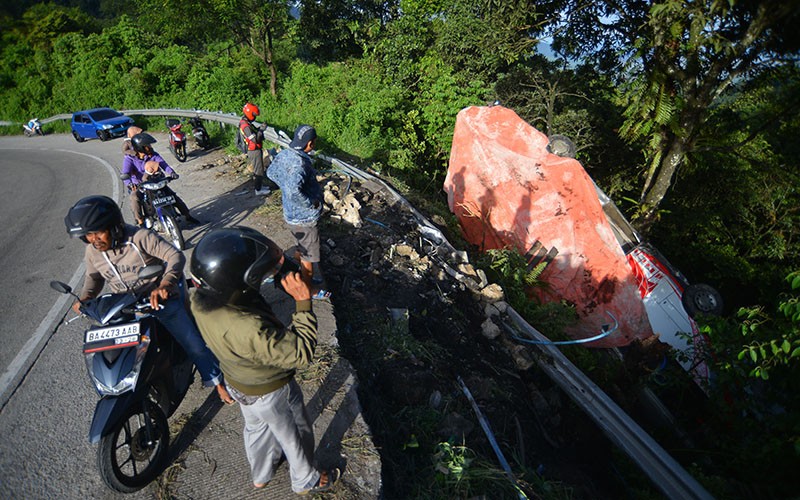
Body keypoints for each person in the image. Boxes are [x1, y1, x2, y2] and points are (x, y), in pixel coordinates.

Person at [189, 226, 340, 494]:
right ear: (238, 285)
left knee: (256, 430)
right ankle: (305, 479)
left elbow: (244, 284)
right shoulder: (248, 327)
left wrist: (280, 266)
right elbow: (300, 353)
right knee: (294, 431)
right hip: (270, 389)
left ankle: (260, 475)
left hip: (238, 381)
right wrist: (303, 302)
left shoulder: (200, 300)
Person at [64, 195, 233, 404]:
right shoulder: (92, 251)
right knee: (116, 350)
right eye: (88, 235)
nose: (94, 239)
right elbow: (93, 277)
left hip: (159, 297)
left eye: (98, 232)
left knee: (192, 342)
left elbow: (175, 256)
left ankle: (217, 382)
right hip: (124, 305)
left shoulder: (139, 237)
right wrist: (86, 298)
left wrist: (165, 284)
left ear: (114, 227)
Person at [267, 125, 329, 299]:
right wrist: (310, 203)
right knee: (309, 256)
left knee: (300, 244)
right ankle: (307, 289)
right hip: (305, 218)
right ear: (310, 143)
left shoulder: (285, 154)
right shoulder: (301, 163)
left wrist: (285, 186)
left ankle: (296, 266)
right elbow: (294, 191)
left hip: (290, 215)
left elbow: (271, 172)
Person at [121, 132, 201, 227]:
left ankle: (187, 215)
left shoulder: (153, 155)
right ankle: (140, 221)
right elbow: (125, 173)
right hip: (140, 185)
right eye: (147, 146)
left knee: (173, 196)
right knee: (134, 198)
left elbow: (163, 164)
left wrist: (172, 173)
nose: (150, 147)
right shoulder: (130, 158)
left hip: (155, 181)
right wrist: (130, 184)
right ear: (140, 147)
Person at [240, 102, 271, 196]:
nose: (255, 116)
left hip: (255, 149)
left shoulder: (245, 122)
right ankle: (258, 189)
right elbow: (255, 139)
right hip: (253, 150)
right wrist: (261, 130)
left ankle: (260, 186)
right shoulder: (245, 126)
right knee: (258, 170)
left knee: (259, 168)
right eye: (254, 114)